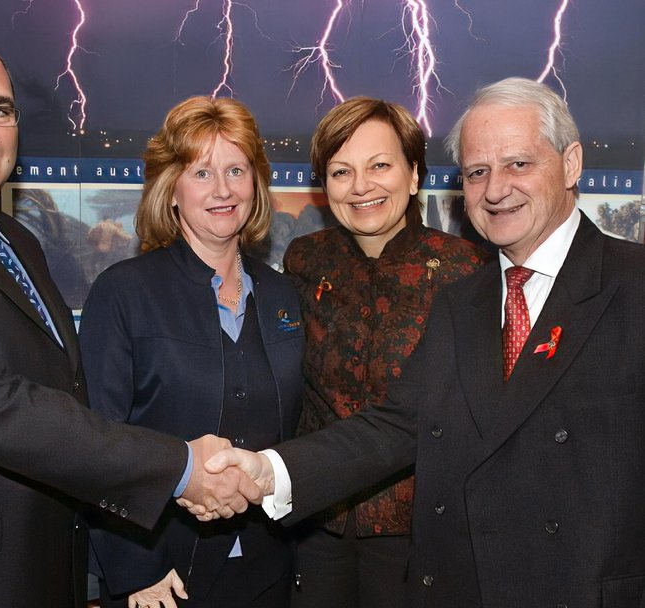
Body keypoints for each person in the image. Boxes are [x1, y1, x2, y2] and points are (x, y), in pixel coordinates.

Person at [0, 34, 258, 608]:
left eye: (0, 110)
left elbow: (67, 392)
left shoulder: (15, 240)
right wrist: (183, 467)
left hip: (42, 566)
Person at [203, 77, 645, 607]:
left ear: (571, 164)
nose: (497, 188)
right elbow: (397, 423)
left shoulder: (634, 285)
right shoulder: (467, 301)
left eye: (518, 164)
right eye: (477, 172)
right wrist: (269, 470)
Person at [79, 96, 304, 608]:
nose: (223, 190)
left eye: (236, 170)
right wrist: (136, 567)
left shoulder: (281, 295)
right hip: (162, 578)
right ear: (171, 190)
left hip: (269, 571)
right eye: (202, 173)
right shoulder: (123, 292)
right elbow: (95, 440)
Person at [283, 97, 489, 607]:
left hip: (424, 534)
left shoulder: (469, 271)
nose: (361, 186)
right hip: (316, 525)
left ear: (414, 174)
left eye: (380, 165)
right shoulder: (304, 260)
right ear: (323, 186)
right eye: (341, 171)